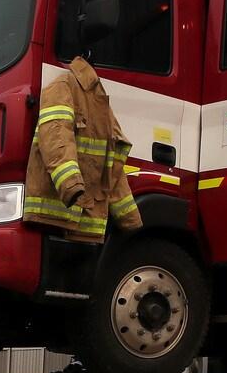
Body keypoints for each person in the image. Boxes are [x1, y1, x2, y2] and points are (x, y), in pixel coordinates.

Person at [23, 55, 143, 241]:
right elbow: (56, 137)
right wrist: (71, 186)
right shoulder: (63, 86)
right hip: (55, 216)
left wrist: (131, 220)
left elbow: (112, 167)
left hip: (86, 224)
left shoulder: (100, 103)